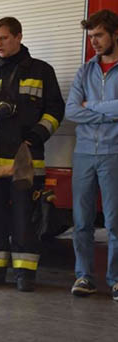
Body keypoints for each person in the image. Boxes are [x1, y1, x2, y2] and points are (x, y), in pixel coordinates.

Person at [0, 17, 65, 292]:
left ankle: (25, 274)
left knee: (25, 217)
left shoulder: (42, 71)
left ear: (18, 37)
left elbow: (55, 110)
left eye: (4, 38)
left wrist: (37, 135)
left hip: (26, 160)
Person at [65, 9, 118, 301]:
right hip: (83, 153)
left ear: (114, 34)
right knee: (82, 221)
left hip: (114, 152)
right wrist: (110, 112)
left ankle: (117, 279)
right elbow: (71, 111)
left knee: (115, 222)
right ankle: (84, 276)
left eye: (99, 35)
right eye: (91, 36)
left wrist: (93, 106)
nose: (94, 42)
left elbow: (84, 109)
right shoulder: (85, 71)